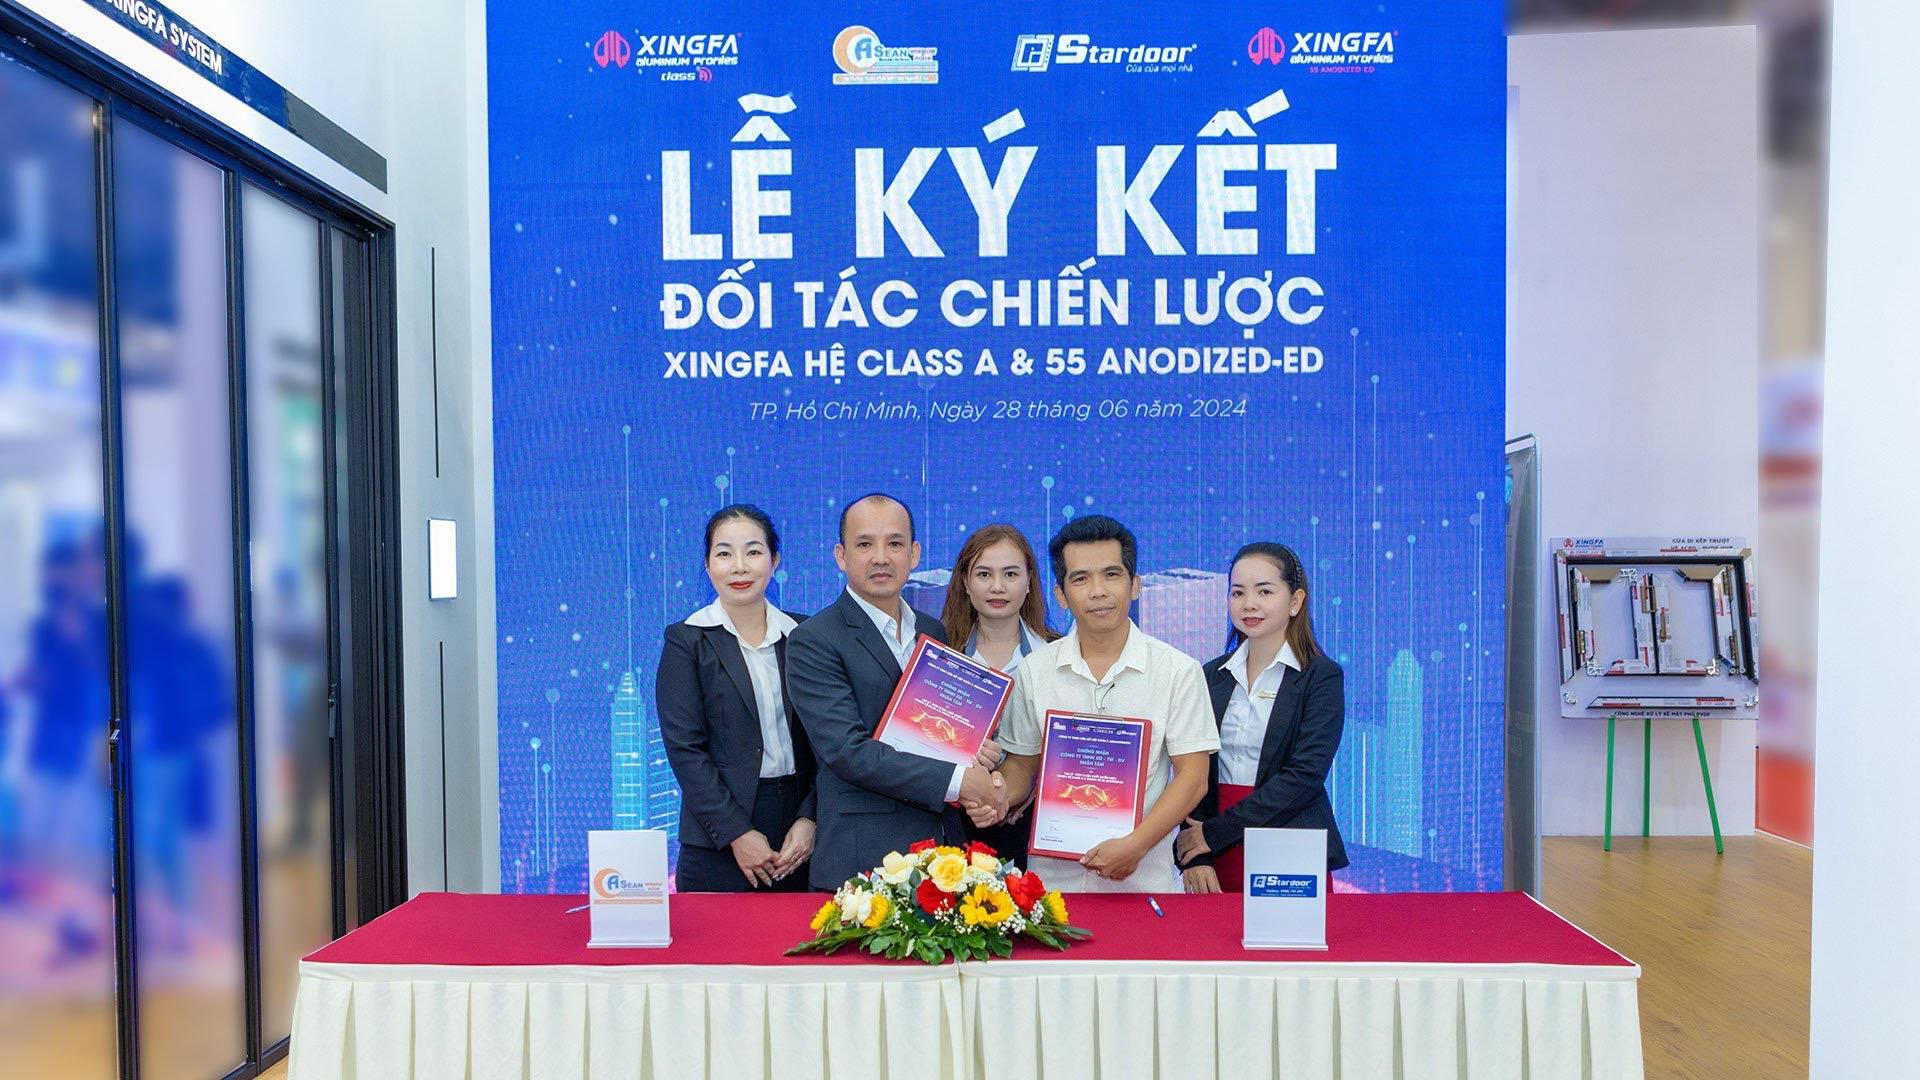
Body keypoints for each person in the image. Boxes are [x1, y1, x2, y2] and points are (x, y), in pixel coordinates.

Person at [784, 493, 1007, 890]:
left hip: (943, 859)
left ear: (914, 553)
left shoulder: (932, 632)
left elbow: (940, 733)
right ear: (841, 556)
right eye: (864, 544)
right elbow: (847, 752)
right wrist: (960, 780)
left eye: (895, 543)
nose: (881, 557)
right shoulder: (813, 640)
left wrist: (974, 753)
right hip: (863, 866)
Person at [996, 516, 1219, 893]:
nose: (1098, 591)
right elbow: (1021, 764)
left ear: (1135, 585)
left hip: (1143, 884)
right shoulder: (1035, 670)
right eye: (1081, 579)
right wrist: (993, 795)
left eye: (1111, 575)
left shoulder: (1178, 671)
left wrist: (1135, 846)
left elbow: (1193, 779)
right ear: (1061, 595)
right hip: (1051, 889)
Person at [657, 505, 818, 891]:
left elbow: (830, 742)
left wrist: (812, 818)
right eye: (725, 553)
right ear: (708, 565)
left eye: (754, 551)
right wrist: (736, 833)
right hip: (718, 839)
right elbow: (685, 750)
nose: (740, 567)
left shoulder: (806, 636)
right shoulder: (686, 641)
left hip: (800, 834)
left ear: (774, 561)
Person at [1175, 542, 1348, 892]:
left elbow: (1305, 776)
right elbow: (1188, 770)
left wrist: (1215, 833)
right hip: (1212, 849)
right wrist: (1196, 856)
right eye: (1238, 592)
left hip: (1288, 841)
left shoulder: (1321, 677)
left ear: (1295, 601)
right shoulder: (1210, 675)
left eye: (1264, 591)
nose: (1249, 603)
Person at [940, 524, 1060, 864]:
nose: (997, 586)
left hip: (1036, 823)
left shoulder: (1059, 655)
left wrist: (1028, 788)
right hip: (952, 822)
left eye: (1010, 574)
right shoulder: (937, 656)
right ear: (965, 583)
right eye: (984, 574)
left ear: (1029, 582)